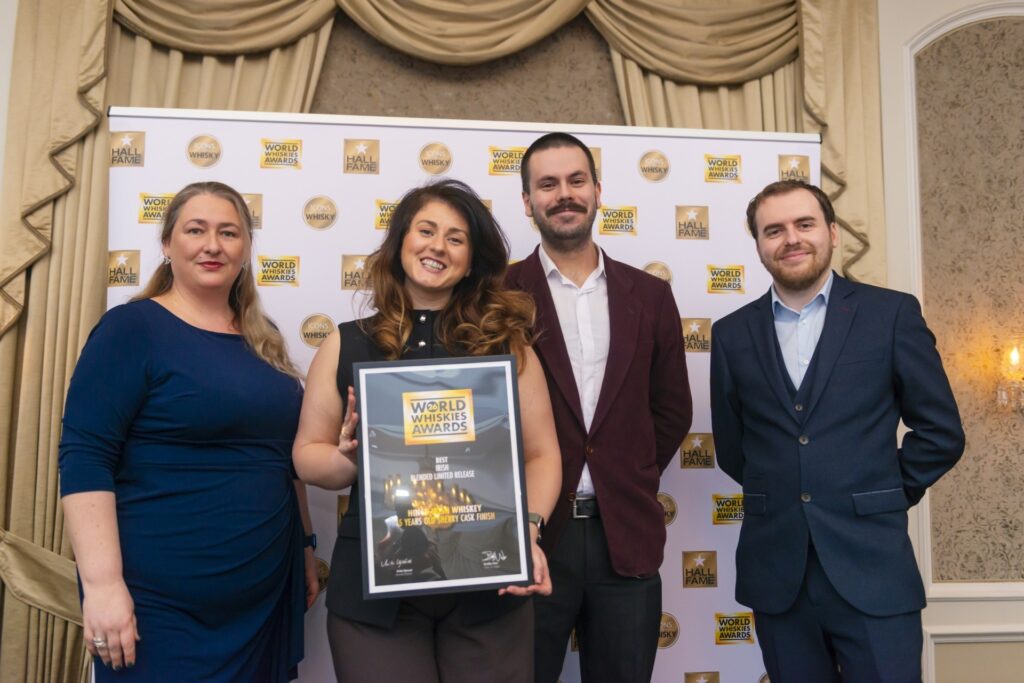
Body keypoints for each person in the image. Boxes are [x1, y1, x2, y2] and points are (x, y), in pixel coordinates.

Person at [293, 178, 561, 683]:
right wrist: (347, 456)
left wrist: (526, 531)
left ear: (472, 260)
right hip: (377, 591)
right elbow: (307, 456)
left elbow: (542, 454)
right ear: (400, 242)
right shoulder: (346, 344)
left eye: (456, 238)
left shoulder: (507, 345)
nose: (438, 246)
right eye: (426, 231)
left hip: (490, 584)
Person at [59, 181, 318, 681]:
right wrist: (103, 585)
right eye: (196, 230)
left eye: (229, 233)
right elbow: (85, 456)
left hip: (262, 602)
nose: (212, 245)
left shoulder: (264, 339)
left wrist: (306, 546)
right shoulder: (131, 329)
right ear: (167, 244)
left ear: (246, 248)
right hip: (158, 604)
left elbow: (282, 458)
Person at [710, 180, 965, 682]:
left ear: (831, 232)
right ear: (758, 244)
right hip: (777, 575)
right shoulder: (731, 333)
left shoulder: (891, 314)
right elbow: (734, 449)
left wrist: (885, 492)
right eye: (774, 230)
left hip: (874, 567)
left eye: (804, 224)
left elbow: (941, 432)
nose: (791, 239)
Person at [505, 132, 692, 683]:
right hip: (529, 537)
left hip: (625, 536)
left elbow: (671, 410)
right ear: (528, 202)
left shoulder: (650, 295)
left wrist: (626, 472)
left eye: (576, 180)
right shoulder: (497, 294)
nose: (564, 194)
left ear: (597, 191)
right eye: (548, 184)